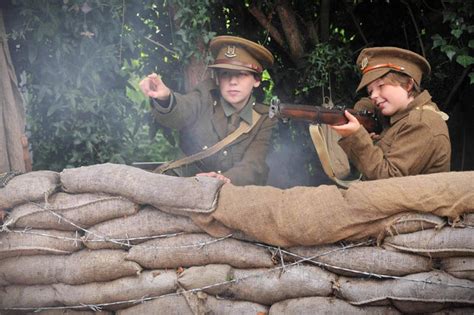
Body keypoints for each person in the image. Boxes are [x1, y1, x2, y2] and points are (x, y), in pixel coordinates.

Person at [139, 35, 276, 185]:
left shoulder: (264, 118)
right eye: (225, 74)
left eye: (241, 75)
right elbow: (183, 109)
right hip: (188, 186)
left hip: (234, 194)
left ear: (256, 80)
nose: (233, 82)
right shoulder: (205, 97)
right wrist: (165, 98)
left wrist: (226, 179)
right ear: (217, 79)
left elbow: (254, 165)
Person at [331, 47, 451, 180]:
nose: (374, 96)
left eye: (381, 86)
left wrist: (356, 136)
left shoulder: (420, 124)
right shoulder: (399, 112)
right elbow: (366, 102)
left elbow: (387, 178)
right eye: (370, 91)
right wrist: (361, 117)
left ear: (408, 84)